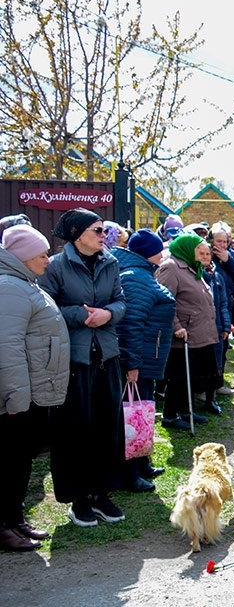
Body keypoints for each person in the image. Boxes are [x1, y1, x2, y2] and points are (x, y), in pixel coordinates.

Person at [38, 208, 128, 527]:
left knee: (108, 427)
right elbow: (45, 308)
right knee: (75, 429)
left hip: (107, 355)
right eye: (98, 230)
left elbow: (120, 301)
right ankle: (78, 499)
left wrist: (108, 315)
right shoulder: (56, 266)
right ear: (78, 235)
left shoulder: (111, 262)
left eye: (105, 231)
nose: (105, 236)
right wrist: (79, 314)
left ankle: (103, 493)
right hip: (73, 360)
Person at [0, 225, 70, 550]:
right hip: (17, 398)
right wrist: (16, 397)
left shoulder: (24, 283)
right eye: (42, 254)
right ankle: (3, 526)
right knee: (9, 461)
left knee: (21, 460)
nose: (48, 259)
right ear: (24, 256)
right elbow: (7, 347)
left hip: (31, 393)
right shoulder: (10, 288)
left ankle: (14, 519)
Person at [112, 229, 176, 493]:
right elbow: (131, 325)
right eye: (159, 248)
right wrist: (133, 364)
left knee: (142, 413)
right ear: (150, 252)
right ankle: (129, 474)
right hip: (138, 362)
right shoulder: (136, 278)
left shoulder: (142, 274)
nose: (163, 253)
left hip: (148, 358)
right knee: (132, 416)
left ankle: (141, 463)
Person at [155, 234, 219, 430]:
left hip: (198, 333)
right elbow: (164, 300)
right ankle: (169, 416)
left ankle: (185, 410)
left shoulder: (192, 268)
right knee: (178, 376)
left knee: (191, 375)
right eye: (198, 251)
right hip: (183, 334)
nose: (203, 256)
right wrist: (176, 327)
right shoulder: (171, 267)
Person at [200, 242, 231, 415]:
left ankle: (211, 398)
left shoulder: (217, 276)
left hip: (217, 327)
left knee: (216, 363)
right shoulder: (196, 275)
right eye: (202, 254)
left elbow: (223, 303)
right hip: (202, 327)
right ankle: (200, 393)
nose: (205, 257)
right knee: (202, 363)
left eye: (208, 254)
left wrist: (226, 325)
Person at [210, 221, 234, 346]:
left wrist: (228, 260)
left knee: (224, 344)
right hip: (211, 304)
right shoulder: (206, 255)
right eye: (218, 241)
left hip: (227, 304)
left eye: (225, 242)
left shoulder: (231, 255)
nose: (222, 245)